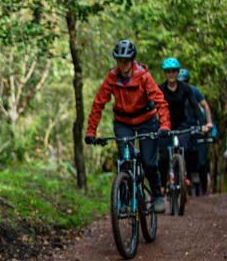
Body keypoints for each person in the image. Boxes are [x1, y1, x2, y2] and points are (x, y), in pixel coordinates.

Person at [85, 40, 170, 214]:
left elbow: (160, 101)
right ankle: (123, 200)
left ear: (132, 60)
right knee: (124, 163)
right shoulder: (112, 78)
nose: (122, 64)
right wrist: (91, 131)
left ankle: (157, 195)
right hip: (123, 123)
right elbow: (98, 104)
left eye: (126, 60)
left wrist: (164, 125)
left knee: (148, 161)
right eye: (119, 60)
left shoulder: (144, 76)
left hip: (147, 121)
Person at [156, 59, 207, 196]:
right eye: (168, 72)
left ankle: (185, 176)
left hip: (182, 124)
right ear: (165, 73)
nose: (171, 74)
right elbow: (152, 106)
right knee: (164, 156)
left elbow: (196, 107)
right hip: (165, 124)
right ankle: (161, 185)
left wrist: (202, 124)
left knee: (187, 148)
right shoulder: (160, 89)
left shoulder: (185, 88)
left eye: (173, 71)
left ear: (177, 73)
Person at [178, 68, 214, 195]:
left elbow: (205, 106)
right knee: (182, 153)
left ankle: (204, 189)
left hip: (196, 126)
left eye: (185, 81)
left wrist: (208, 123)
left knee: (202, 160)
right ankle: (182, 182)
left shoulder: (194, 91)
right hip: (181, 127)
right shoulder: (174, 91)